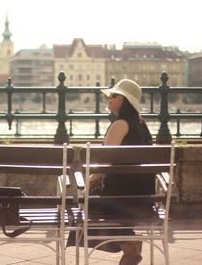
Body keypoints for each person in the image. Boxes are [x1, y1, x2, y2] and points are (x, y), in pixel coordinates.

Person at [67, 79, 154, 265]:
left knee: (83, 211)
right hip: (144, 198)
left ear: (125, 100)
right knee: (94, 206)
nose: (110, 99)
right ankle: (128, 241)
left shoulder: (120, 125)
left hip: (119, 198)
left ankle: (128, 243)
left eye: (114, 95)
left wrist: (91, 180)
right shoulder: (142, 124)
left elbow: (105, 161)